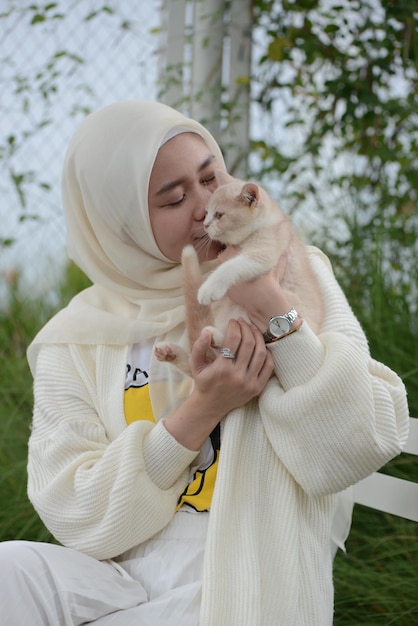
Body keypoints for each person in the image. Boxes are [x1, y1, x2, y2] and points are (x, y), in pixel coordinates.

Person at [0, 100, 409, 626]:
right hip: (117, 579)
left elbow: (360, 438)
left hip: (242, 576)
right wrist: (201, 411)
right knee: (9, 570)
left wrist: (276, 314)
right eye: (173, 199)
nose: (204, 205)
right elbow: (75, 510)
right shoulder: (77, 340)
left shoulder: (290, 269)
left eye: (209, 176)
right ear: (121, 226)